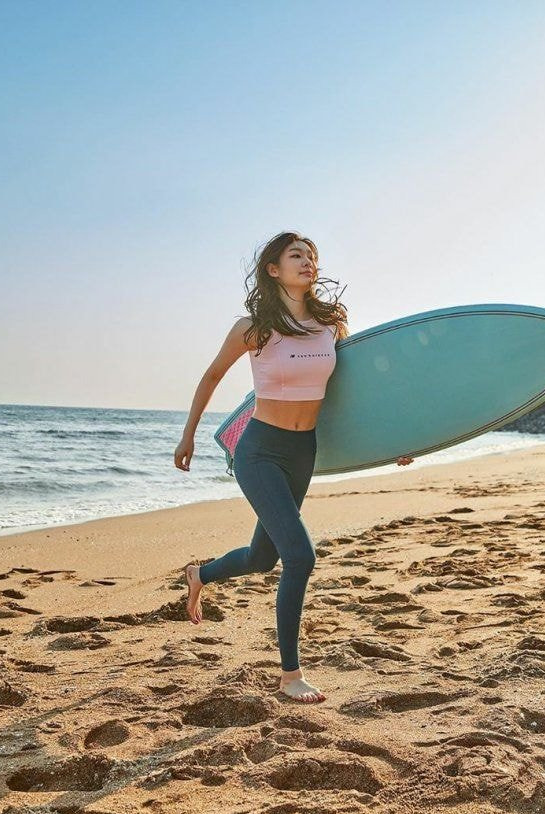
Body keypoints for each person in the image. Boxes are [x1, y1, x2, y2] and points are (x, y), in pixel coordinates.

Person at [174, 231, 414, 704]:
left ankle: (199, 575)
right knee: (301, 556)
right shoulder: (254, 327)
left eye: (312, 257)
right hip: (260, 450)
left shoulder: (331, 325)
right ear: (273, 269)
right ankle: (290, 676)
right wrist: (188, 435)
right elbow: (211, 376)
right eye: (296, 256)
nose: (308, 263)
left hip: (302, 452)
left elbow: (355, 394)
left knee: (263, 558)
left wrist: (394, 442)